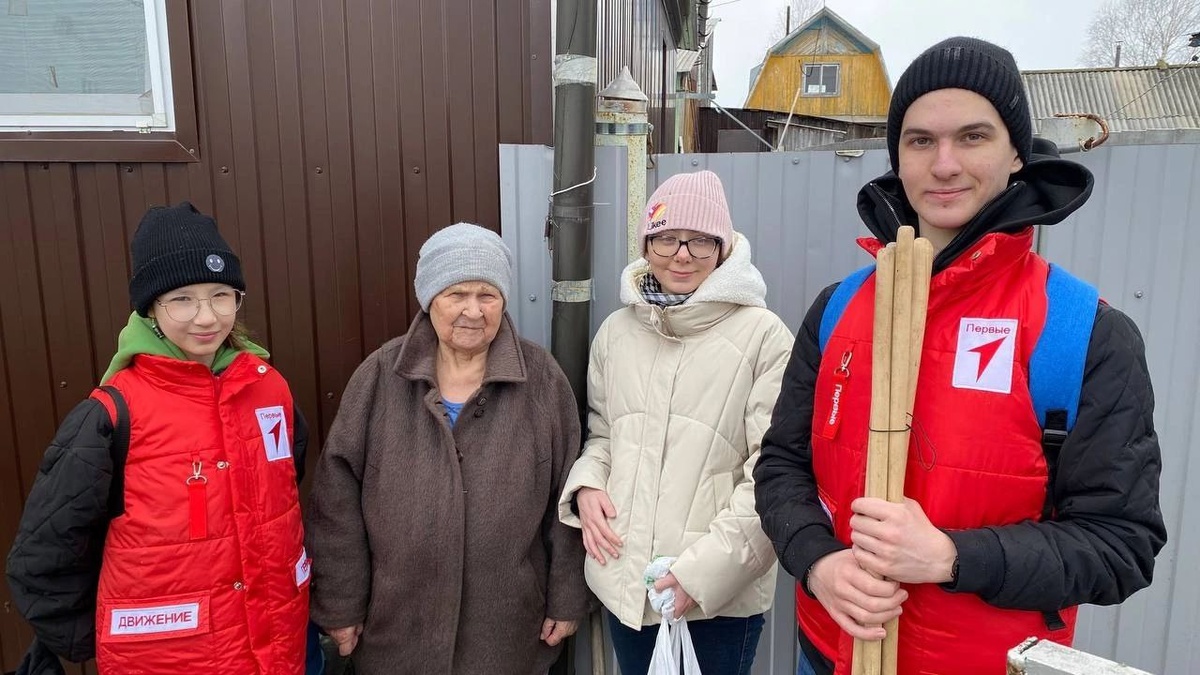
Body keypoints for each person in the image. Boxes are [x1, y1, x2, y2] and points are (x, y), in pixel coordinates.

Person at [753, 37, 1167, 675]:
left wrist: (950, 557)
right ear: (898, 158)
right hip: (829, 653)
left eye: (973, 136)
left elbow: (1121, 545)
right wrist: (818, 561)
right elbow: (782, 465)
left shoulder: (1082, 331)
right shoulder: (838, 309)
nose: (944, 164)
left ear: (1016, 153)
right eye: (920, 140)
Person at [6, 202, 311, 674]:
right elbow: (43, 553)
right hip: (166, 660)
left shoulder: (268, 388)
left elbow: (284, 490)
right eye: (182, 299)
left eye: (221, 295)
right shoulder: (113, 413)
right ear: (150, 308)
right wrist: (104, 637)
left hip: (275, 650)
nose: (207, 317)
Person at [304, 223, 588, 674]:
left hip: (507, 630)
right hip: (395, 627)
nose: (473, 311)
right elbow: (336, 502)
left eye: (487, 295)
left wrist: (568, 597)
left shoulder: (542, 380)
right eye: (456, 294)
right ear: (429, 298)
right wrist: (341, 604)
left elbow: (568, 496)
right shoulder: (380, 377)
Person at [558, 170, 792, 675]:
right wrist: (588, 484)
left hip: (716, 602)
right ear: (646, 244)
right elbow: (604, 433)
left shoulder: (764, 337)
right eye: (666, 238)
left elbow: (775, 473)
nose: (681, 255)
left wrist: (701, 574)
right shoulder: (617, 332)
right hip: (628, 584)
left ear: (723, 248)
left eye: (700, 240)